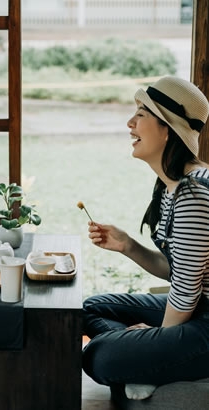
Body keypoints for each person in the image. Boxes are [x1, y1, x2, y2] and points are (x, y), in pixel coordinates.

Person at [82, 76, 209, 401]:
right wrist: (126, 244)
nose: (130, 123)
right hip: (196, 308)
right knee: (86, 309)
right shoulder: (172, 187)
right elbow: (177, 269)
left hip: (203, 319)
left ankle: (148, 363)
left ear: (168, 129)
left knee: (98, 356)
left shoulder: (194, 194)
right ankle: (145, 359)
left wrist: (156, 339)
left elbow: (185, 289)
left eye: (141, 113)